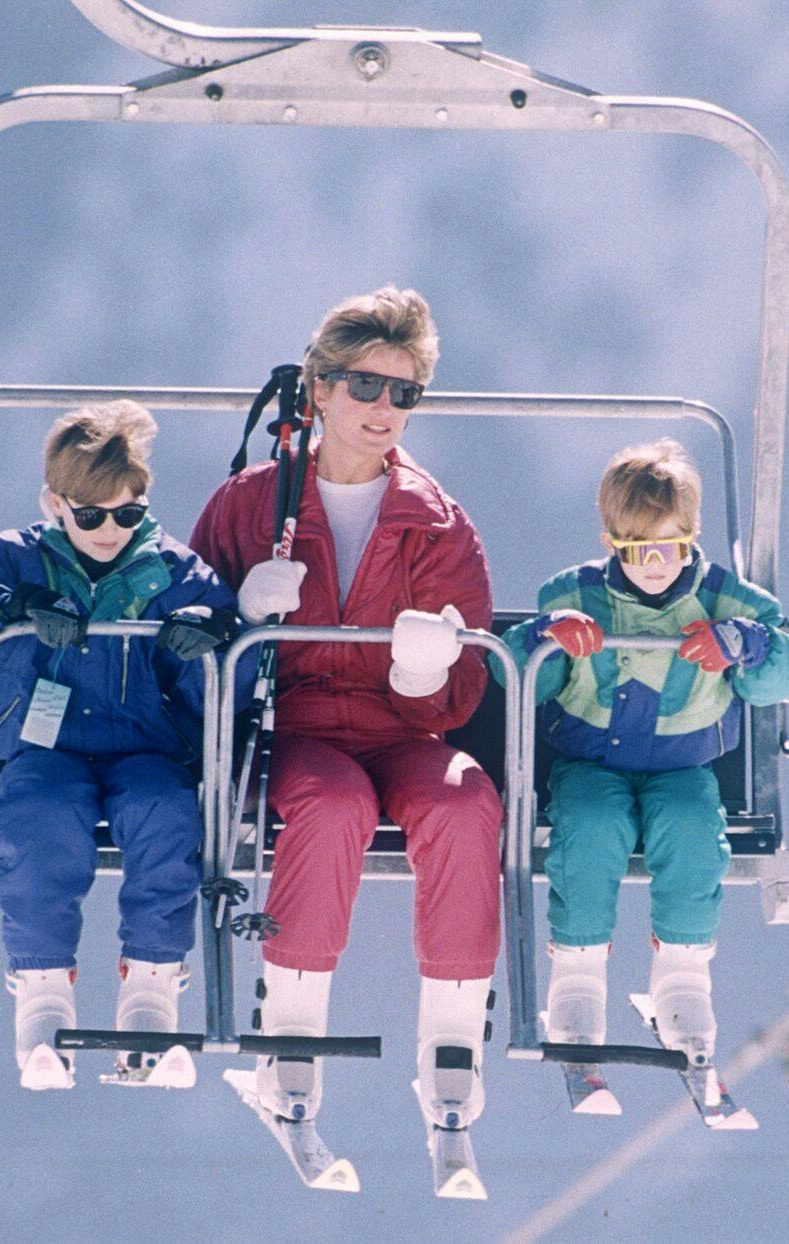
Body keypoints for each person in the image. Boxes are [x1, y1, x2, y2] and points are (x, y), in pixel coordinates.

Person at [190, 287, 501, 1133]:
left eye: (404, 394)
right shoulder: (252, 506)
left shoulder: (437, 524)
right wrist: (239, 618)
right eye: (365, 387)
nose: (383, 410)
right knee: (332, 806)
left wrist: (420, 674)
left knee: (466, 802)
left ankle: (451, 1039)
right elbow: (181, 635)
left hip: (401, 729)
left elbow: (462, 690)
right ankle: (291, 1024)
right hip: (294, 726)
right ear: (319, 388)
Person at [0, 400, 240, 1090]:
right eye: (89, 515)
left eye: (127, 513)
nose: (108, 531)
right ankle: (42, 992)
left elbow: (232, 689)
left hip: (142, 743)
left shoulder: (176, 573)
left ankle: (152, 987)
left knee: (165, 813)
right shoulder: (13, 558)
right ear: (54, 504)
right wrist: (10, 607)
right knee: (37, 819)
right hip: (47, 743)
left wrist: (207, 640)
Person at [499, 439, 789, 1069]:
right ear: (610, 542)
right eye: (636, 551)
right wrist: (546, 641)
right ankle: (578, 977)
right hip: (589, 761)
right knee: (588, 827)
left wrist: (743, 645)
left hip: (682, 765)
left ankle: (682, 976)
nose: (654, 565)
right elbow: (513, 675)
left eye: (668, 548)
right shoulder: (576, 596)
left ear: (691, 537)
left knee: (693, 831)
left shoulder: (727, 600)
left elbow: (782, 673)